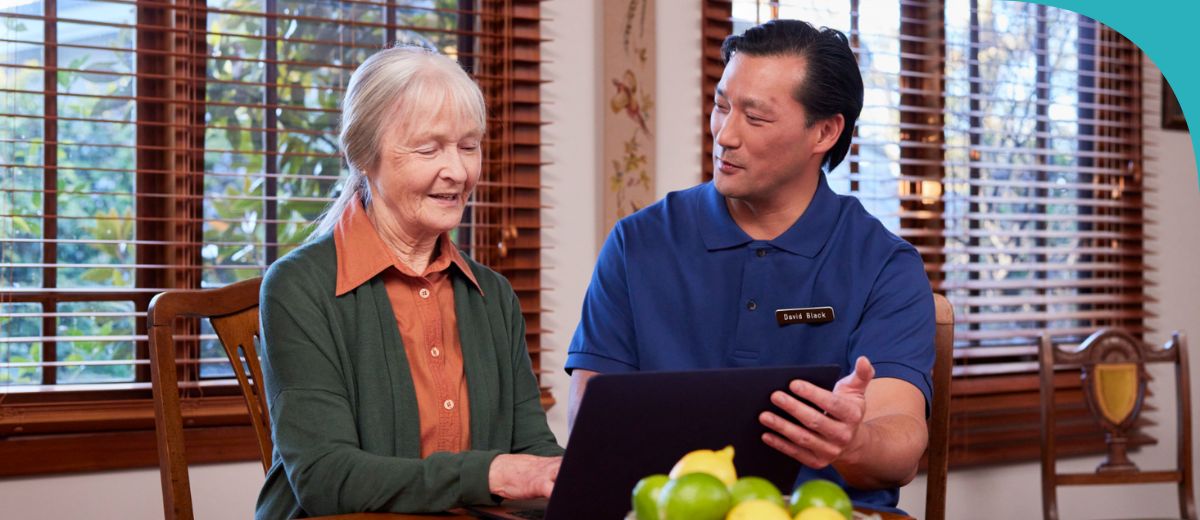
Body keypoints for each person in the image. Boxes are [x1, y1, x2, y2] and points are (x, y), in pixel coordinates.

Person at [565, 19, 934, 512]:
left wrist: (853, 442)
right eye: (721, 106)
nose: (725, 134)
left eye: (755, 118)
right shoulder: (639, 243)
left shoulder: (885, 265)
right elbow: (592, 428)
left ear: (824, 131)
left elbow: (901, 446)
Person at [256, 45, 562, 520]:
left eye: (468, 146)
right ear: (363, 154)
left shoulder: (493, 295)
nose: (458, 172)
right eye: (428, 148)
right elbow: (325, 478)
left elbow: (533, 451)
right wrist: (491, 474)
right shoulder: (297, 288)